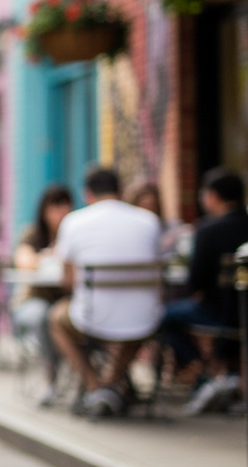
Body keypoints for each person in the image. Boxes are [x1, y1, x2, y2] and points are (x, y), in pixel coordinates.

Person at [48, 167, 162, 419]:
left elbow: (67, 282)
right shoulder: (149, 221)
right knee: (136, 322)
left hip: (91, 318)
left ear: (87, 194)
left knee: (56, 318)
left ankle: (94, 386)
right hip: (144, 318)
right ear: (120, 191)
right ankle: (111, 383)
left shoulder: (74, 221)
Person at [158, 168, 248, 415]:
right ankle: (225, 375)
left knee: (161, 316)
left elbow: (195, 280)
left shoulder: (208, 230)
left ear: (212, 196)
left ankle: (203, 373)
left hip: (216, 313)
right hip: (241, 314)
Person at [12, 184, 72, 407]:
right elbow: (24, 262)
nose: (60, 212)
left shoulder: (74, 232)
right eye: (54, 206)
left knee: (71, 315)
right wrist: (51, 255)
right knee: (44, 316)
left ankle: (85, 381)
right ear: (44, 210)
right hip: (33, 301)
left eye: (65, 205)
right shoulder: (32, 234)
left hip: (65, 300)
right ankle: (51, 376)